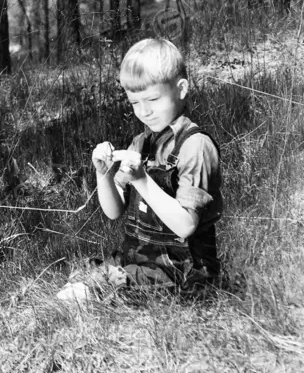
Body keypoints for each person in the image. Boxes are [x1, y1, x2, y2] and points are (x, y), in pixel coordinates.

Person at [91, 37, 223, 290]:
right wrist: (103, 174)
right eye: (135, 102)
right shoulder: (141, 142)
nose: (144, 111)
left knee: (91, 291)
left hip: (183, 270)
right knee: (82, 280)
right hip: (141, 260)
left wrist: (141, 179)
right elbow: (113, 211)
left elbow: (185, 226)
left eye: (153, 100)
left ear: (181, 89)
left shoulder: (195, 146)